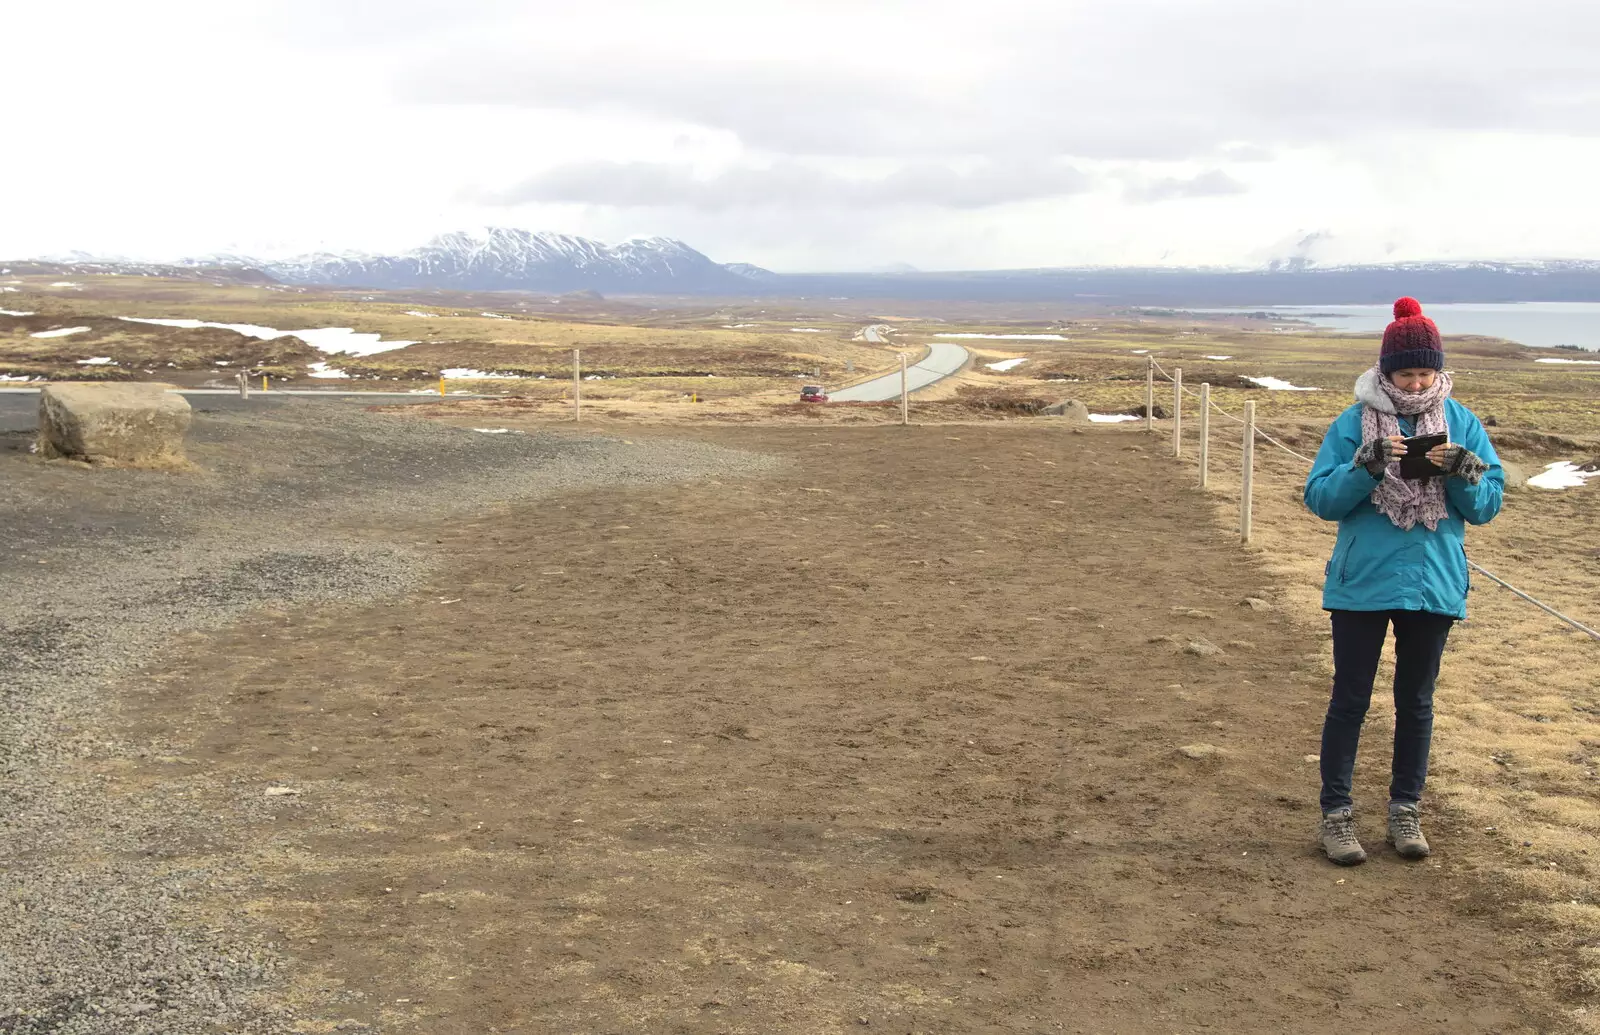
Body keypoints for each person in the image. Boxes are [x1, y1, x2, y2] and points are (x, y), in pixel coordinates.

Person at [1303, 297, 1504, 865]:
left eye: (1425, 372)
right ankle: (1337, 817)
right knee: (1350, 700)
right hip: (1362, 581)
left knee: (1416, 702)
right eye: (1404, 373)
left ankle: (1404, 810)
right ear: (1385, 372)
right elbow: (1319, 498)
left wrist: (1463, 472)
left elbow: (1487, 504)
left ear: (1438, 371)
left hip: (1433, 583)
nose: (1415, 384)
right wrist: (1364, 466)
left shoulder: (1462, 422)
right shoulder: (1350, 423)